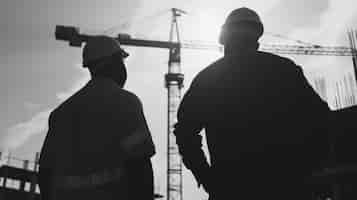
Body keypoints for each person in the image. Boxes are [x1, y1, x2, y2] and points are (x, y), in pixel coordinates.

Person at [174, 7, 330, 200]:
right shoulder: (285, 70)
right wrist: (312, 169)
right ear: (256, 38)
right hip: (287, 186)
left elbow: (185, 132)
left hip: (231, 188)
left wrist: (206, 177)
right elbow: (322, 119)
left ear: (224, 39)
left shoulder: (208, 79)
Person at [39, 36, 156, 200]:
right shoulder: (125, 103)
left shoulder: (61, 113)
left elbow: (45, 172)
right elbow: (139, 165)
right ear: (114, 63)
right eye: (121, 62)